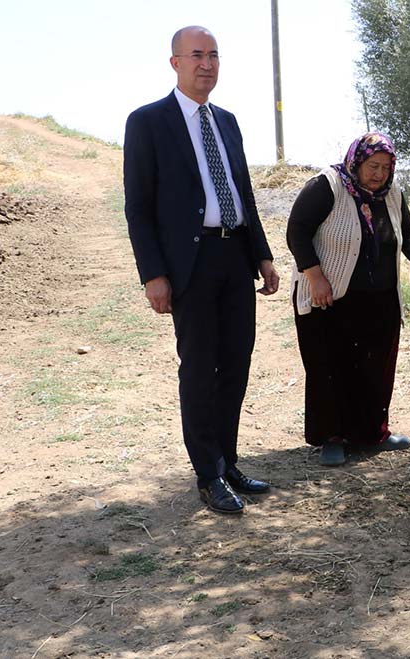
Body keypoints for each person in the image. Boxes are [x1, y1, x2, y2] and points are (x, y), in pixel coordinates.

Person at [123, 26, 279, 515]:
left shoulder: (227, 121)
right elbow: (138, 206)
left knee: (235, 363)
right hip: (189, 263)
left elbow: (242, 191)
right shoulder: (148, 122)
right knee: (199, 368)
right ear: (175, 63)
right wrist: (153, 273)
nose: (206, 64)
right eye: (196, 55)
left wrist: (263, 255)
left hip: (236, 256)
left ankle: (228, 462)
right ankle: (208, 474)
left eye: (213, 55)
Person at [286, 132, 410, 466]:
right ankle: (332, 437)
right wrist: (315, 277)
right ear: (357, 161)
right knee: (330, 368)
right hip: (329, 297)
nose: (379, 174)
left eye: (385, 167)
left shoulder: (392, 193)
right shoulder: (327, 187)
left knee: (375, 369)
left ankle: (371, 433)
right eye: (372, 166)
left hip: (380, 298)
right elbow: (297, 232)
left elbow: (408, 232)